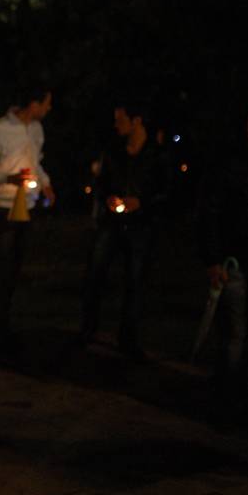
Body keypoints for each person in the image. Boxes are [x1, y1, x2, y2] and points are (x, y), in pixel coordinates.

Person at [0, 82, 56, 362]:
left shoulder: (36, 130)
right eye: (47, 102)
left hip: (27, 207)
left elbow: (36, 162)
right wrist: (8, 178)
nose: (49, 108)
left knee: (16, 270)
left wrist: (44, 184)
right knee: (3, 271)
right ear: (34, 103)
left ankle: (7, 328)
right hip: (1, 208)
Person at [81, 100, 171, 359]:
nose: (115, 125)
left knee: (135, 282)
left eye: (121, 120)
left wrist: (141, 203)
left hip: (141, 226)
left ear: (137, 121)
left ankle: (128, 339)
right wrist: (108, 197)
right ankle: (87, 329)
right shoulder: (113, 150)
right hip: (112, 223)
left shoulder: (157, 154)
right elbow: (101, 183)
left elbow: (167, 192)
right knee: (95, 274)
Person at [198, 104, 248, 398]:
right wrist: (212, 258)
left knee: (246, 333)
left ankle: (238, 389)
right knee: (234, 333)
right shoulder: (231, 163)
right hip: (234, 261)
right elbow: (211, 210)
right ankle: (228, 393)